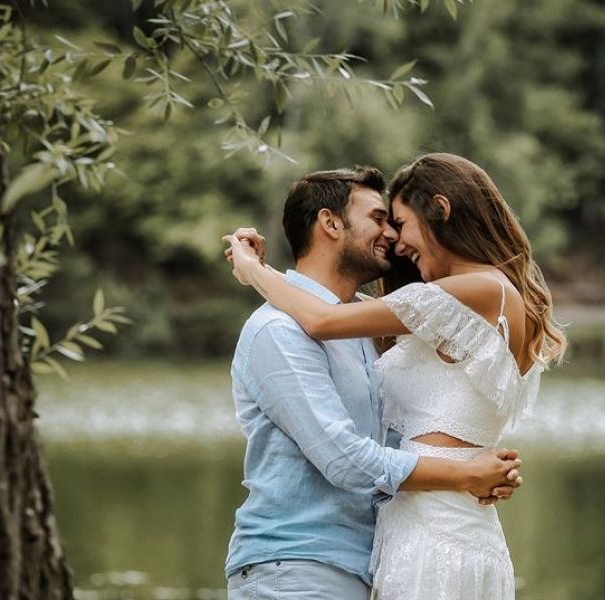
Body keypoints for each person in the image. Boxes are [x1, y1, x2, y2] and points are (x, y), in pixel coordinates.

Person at [223, 153, 566, 600]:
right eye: (382, 219)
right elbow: (349, 452)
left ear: (441, 210)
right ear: (329, 223)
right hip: (303, 563)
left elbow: (324, 319)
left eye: (399, 222)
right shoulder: (285, 329)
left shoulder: (474, 291)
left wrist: (252, 271)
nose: (394, 238)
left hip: (417, 536)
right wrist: (463, 474)